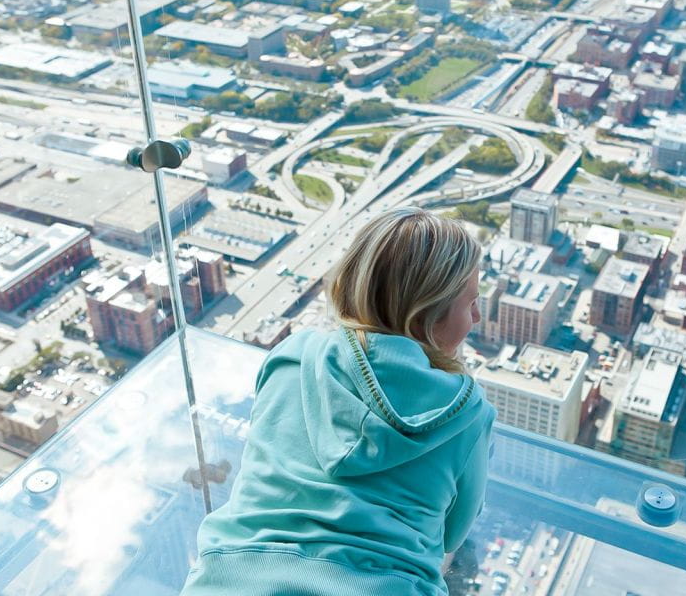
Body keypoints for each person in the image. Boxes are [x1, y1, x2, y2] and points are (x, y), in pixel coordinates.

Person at [181, 207, 497, 596]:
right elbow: (454, 532)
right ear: (425, 318)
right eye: (470, 303)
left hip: (232, 579)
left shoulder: (293, 357)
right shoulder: (466, 413)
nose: (477, 317)